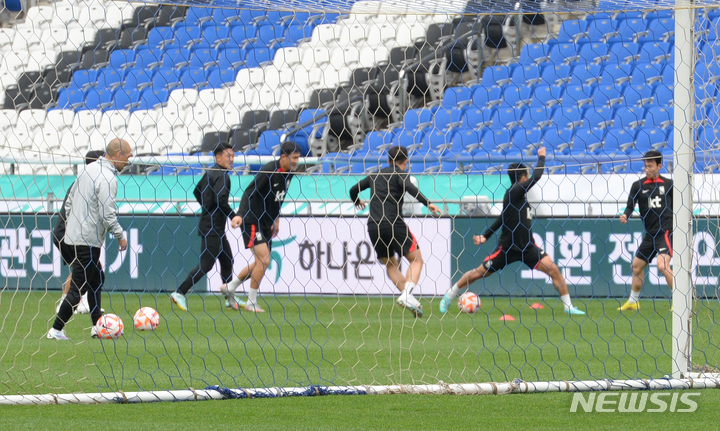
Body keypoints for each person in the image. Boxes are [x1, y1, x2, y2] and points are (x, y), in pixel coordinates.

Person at [438, 147, 585, 315]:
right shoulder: (514, 191)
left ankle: (568, 307)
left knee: (553, 270)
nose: (529, 177)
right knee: (479, 273)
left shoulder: (518, 198)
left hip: (527, 247)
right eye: (527, 175)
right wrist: (542, 157)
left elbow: (502, 218)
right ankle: (450, 295)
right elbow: (537, 177)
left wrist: (485, 236)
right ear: (522, 178)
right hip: (507, 248)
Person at [47, 139, 132, 340]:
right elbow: (107, 213)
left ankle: (97, 326)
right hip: (88, 240)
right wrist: (120, 236)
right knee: (78, 288)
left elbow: (69, 202)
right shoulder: (108, 178)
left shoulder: (87, 170)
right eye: (127, 157)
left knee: (96, 279)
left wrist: (74, 225)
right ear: (118, 155)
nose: (128, 161)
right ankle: (56, 330)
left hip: (75, 237)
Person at [348, 146, 442, 318]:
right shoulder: (401, 174)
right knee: (417, 260)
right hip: (393, 223)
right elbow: (410, 188)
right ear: (406, 161)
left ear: (388, 160)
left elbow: (353, 190)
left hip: (373, 226)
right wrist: (427, 203)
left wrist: (356, 201)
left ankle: (409, 298)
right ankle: (407, 294)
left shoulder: (375, 175)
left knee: (391, 264)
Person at [219, 142, 302, 313]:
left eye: (298, 158)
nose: (296, 161)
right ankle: (251, 301)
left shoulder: (290, 173)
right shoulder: (269, 170)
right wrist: (240, 215)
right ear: (283, 157)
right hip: (252, 219)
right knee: (264, 260)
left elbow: (279, 197)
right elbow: (249, 192)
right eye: (293, 158)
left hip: (266, 222)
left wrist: (276, 219)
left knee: (259, 262)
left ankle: (230, 287)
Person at [171, 143, 242, 311]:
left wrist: (207, 207)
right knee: (206, 265)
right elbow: (221, 200)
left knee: (227, 260)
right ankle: (180, 292)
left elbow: (197, 191)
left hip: (212, 225)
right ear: (218, 158)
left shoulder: (210, 172)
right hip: (213, 227)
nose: (231, 159)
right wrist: (234, 216)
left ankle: (229, 297)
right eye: (228, 156)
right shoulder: (223, 176)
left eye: (232, 156)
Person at [617, 150, 674, 311]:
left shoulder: (669, 184)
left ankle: (680, 300)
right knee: (636, 266)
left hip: (665, 232)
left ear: (659, 166)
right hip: (650, 234)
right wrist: (625, 215)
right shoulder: (638, 185)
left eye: (650, 166)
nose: (647, 168)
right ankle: (633, 302)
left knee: (662, 266)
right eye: (645, 165)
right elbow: (630, 205)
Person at [54, 150, 105, 315]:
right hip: (69, 234)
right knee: (87, 269)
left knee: (89, 269)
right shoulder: (86, 183)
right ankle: (67, 304)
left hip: (68, 233)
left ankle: (81, 304)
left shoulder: (84, 181)